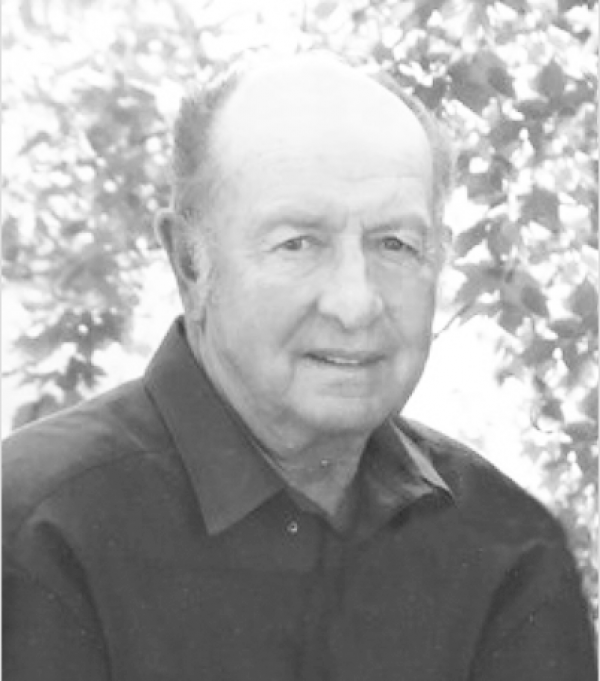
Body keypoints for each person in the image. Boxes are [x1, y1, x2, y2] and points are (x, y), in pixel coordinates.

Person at [3, 52, 596, 681]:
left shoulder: (508, 549)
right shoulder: (35, 530)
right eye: (298, 243)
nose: (355, 303)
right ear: (189, 263)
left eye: (395, 244)